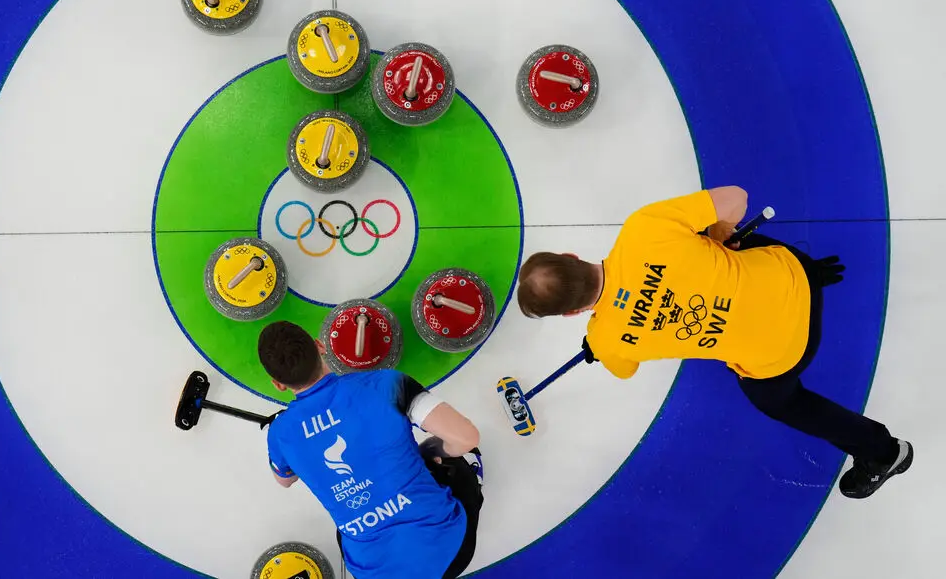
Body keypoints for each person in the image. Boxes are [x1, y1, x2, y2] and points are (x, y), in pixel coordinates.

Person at [514, 186, 912, 499]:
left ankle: (883, 452)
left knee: (776, 401)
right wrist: (716, 231)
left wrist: (598, 341)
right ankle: (813, 275)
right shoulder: (643, 228)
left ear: (569, 314)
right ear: (571, 254)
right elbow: (736, 198)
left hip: (788, 353)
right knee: (721, 243)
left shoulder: (609, 340)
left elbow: (624, 369)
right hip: (796, 273)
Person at [259, 320, 484, 578]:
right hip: (452, 551)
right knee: (456, 460)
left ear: (278, 383)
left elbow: (284, 480)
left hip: (373, 572)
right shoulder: (386, 384)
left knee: (346, 530)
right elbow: (467, 438)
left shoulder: (280, 433)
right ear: (320, 346)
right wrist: (428, 450)